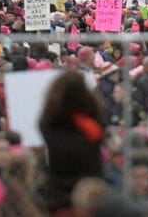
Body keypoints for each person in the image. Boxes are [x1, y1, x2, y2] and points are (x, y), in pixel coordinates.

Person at [38, 70, 105, 215]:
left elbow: (46, 117)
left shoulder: (49, 124)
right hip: (91, 193)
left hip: (58, 194)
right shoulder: (93, 124)